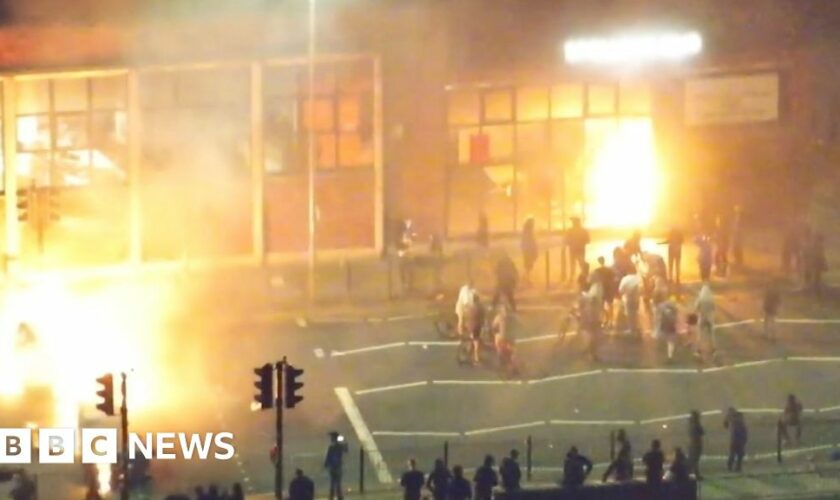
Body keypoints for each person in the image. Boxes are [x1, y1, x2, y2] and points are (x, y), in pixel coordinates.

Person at [492, 304, 518, 376]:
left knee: (498, 343)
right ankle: (514, 367)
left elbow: (493, 326)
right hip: (510, 337)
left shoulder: (498, 317)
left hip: (502, 337)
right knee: (513, 352)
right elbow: (518, 324)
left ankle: (500, 359)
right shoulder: (512, 317)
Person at [592, 256, 617, 329]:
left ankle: (605, 319)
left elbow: (595, 280)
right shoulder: (609, 270)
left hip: (602, 289)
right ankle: (611, 320)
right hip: (609, 289)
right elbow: (613, 278)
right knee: (610, 305)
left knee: (601, 305)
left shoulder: (597, 270)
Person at [693, 284, 717, 362]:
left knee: (699, 334)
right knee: (711, 334)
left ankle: (698, 350)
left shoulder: (700, 299)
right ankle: (713, 350)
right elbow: (714, 308)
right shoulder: (711, 299)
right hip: (710, 318)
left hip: (702, 317)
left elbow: (696, 308)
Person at [566, 216, 590, 284]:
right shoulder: (582, 231)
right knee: (578, 264)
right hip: (578, 249)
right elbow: (588, 240)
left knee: (576, 264)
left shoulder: (571, 230)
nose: (573, 223)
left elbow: (566, 240)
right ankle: (581, 277)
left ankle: (575, 278)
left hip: (576, 250)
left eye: (574, 222)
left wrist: (571, 242)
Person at [619, 267, 642, 336]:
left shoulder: (625, 279)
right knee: (635, 313)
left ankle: (631, 329)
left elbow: (621, 289)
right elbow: (642, 289)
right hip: (636, 298)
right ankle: (636, 327)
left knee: (629, 314)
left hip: (627, 298)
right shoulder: (638, 278)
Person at [324, 432, 348, 500]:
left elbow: (328, 457)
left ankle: (331, 496)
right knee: (338, 483)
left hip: (333, 467)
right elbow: (346, 450)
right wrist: (344, 442)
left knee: (332, 482)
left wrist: (326, 464)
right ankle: (339, 496)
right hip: (338, 467)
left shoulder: (331, 447)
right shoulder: (340, 446)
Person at [724, 407, 748, 472]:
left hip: (735, 439)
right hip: (738, 439)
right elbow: (726, 424)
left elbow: (725, 425)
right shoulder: (737, 419)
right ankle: (737, 467)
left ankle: (732, 467)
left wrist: (727, 417)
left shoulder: (733, 420)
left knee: (734, 454)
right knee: (738, 454)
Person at [396, 219, 416, 294]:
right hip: (403, 252)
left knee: (410, 268)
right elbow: (398, 242)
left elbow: (413, 239)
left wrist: (409, 242)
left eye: (409, 222)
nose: (407, 224)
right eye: (406, 222)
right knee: (402, 269)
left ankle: (410, 284)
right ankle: (404, 283)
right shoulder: (400, 232)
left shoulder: (412, 231)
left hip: (409, 252)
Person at [465, 294, 485, 366]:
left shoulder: (470, 307)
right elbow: (483, 316)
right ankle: (476, 359)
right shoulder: (480, 307)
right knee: (477, 342)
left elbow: (467, 315)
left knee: (473, 338)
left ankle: (469, 349)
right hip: (477, 326)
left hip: (470, 325)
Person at [521, 217, 538, 286]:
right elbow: (530, 241)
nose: (534, 225)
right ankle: (527, 279)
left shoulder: (527, 231)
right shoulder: (528, 232)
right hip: (529, 251)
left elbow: (524, 242)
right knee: (529, 265)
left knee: (528, 265)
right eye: (533, 223)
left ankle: (526, 277)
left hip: (528, 251)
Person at [687, 410, 704, 480]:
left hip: (692, 443)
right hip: (696, 443)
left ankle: (689, 473)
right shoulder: (696, 424)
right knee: (695, 460)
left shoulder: (690, 424)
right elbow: (702, 432)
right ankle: (695, 475)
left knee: (692, 459)